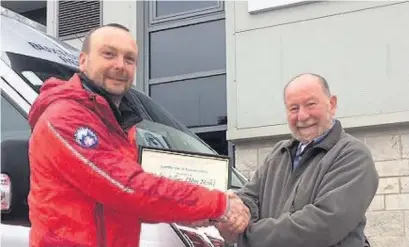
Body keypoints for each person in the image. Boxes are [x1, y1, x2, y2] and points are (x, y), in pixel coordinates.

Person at [27, 23, 249, 247]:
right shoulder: (64, 117)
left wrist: (196, 214)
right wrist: (219, 203)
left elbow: (129, 206)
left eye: (129, 59)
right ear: (83, 61)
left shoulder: (118, 124)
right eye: (109, 54)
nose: (120, 65)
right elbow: (128, 188)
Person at [215, 73, 379, 247]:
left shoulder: (352, 155)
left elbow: (322, 225)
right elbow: (250, 197)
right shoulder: (280, 153)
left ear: (332, 104)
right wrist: (235, 214)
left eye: (310, 104)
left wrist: (246, 235)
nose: (302, 116)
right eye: (293, 108)